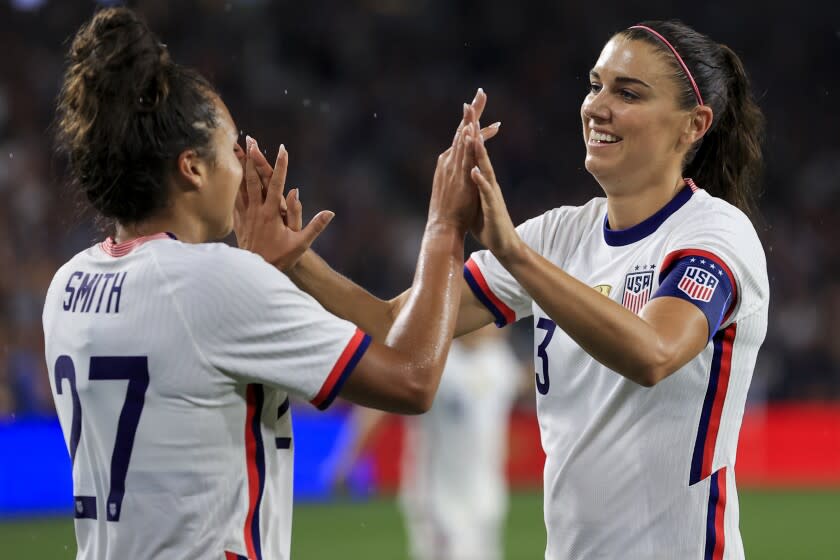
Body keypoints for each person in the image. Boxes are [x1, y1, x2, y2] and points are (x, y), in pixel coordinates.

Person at [285, 20, 769, 559]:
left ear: (693, 125)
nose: (596, 106)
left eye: (627, 92)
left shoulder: (715, 233)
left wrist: (515, 254)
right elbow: (396, 328)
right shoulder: (558, 234)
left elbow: (653, 353)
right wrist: (297, 260)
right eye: (595, 84)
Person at [43, 7, 498, 559]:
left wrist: (263, 271)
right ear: (192, 168)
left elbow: (188, 370)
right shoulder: (216, 284)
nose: (245, 162)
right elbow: (412, 379)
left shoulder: (67, 287)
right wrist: (446, 226)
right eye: (233, 147)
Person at [327, 324, 525, 560]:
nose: (496, 323)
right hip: (438, 502)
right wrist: (348, 460)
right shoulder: (434, 361)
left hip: (487, 498)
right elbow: (376, 409)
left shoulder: (499, 361)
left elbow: (524, 383)